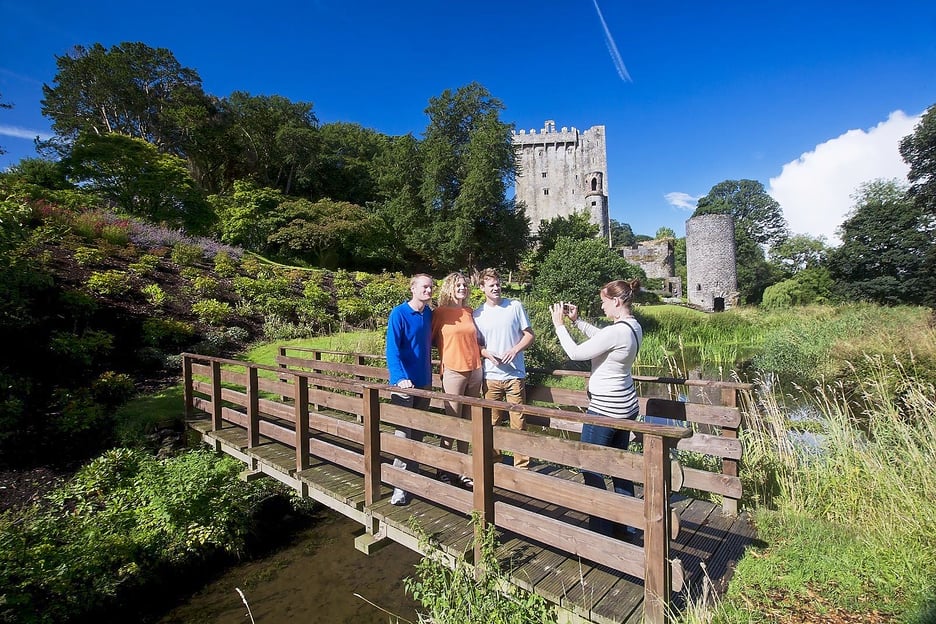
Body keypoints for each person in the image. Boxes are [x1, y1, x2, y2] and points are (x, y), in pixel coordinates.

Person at [549, 278, 643, 537]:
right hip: (626, 406)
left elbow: (576, 353)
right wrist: (577, 321)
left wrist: (560, 326)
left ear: (616, 301)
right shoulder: (632, 326)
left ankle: (601, 529)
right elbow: (604, 339)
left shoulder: (617, 331)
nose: (602, 308)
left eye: (604, 302)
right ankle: (627, 525)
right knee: (619, 467)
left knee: (590, 466)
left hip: (605, 410)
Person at [473, 268, 535, 469]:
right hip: (490, 377)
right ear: (482, 288)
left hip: (515, 376)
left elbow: (529, 335)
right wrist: (487, 353)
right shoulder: (477, 314)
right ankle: (494, 464)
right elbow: (477, 346)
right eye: (491, 285)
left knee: (519, 423)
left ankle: (522, 466)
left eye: (498, 284)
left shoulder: (514, 306)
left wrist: (515, 349)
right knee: (492, 423)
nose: (496, 288)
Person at [385, 273, 434, 506]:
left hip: (424, 382)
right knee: (404, 433)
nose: (428, 290)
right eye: (424, 287)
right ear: (413, 289)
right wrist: (399, 378)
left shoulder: (429, 315)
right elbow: (392, 350)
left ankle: (413, 477)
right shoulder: (399, 314)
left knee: (419, 432)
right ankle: (399, 485)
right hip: (405, 385)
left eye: (431, 287)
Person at [431, 272, 483, 489]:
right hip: (453, 370)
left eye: (465, 285)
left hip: (475, 370)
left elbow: (477, 339)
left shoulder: (470, 311)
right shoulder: (440, 313)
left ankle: (463, 471)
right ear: (449, 287)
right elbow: (432, 339)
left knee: (468, 423)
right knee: (453, 421)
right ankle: (443, 468)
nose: (462, 288)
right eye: (458, 284)